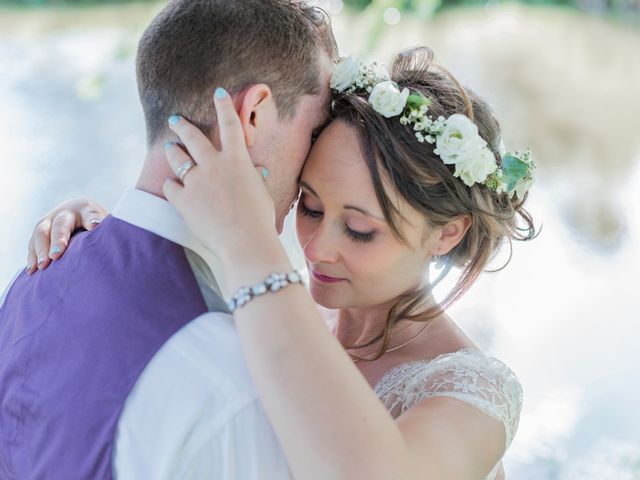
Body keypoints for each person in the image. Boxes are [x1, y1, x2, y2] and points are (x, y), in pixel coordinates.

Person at [25, 48, 537, 479]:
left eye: (360, 230)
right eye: (309, 207)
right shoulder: (285, 308)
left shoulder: (474, 393)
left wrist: (247, 239)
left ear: (447, 233)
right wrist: (104, 230)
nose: (315, 248)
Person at [0, 0, 337, 478]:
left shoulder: (31, 281)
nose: (315, 166)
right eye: (316, 127)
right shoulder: (233, 380)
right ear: (254, 115)